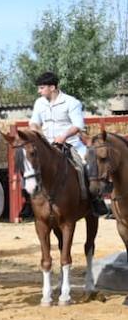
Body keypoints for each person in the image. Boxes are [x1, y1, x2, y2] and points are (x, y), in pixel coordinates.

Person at [30, 71, 110, 216]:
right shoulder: (39, 103)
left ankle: (95, 200)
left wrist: (63, 136)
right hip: (47, 146)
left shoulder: (71, 102)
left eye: (41, 88)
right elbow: (34, 123)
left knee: (89, 163)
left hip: (70, 144)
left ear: (52, 87)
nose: (39, 91)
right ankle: (30, 203)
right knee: (30, 166)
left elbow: (78, 125)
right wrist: (37, 132)